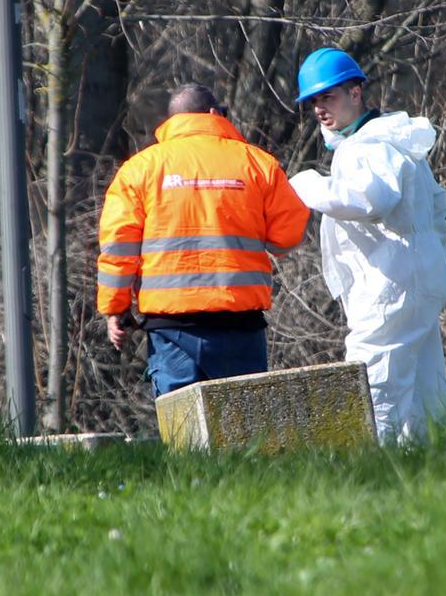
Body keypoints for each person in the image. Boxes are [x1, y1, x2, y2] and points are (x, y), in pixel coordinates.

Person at [96, 84, 310, 398]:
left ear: (171, 120)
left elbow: (118, 248)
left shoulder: (138, 170)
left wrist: (115, 308)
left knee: (183, 433)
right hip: (241, 327)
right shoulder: (258, 164)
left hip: (171, 330)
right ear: (213, 114)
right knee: (245, 430)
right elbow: (286, 237)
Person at [288, 47, 446, 444]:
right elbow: (436, 213)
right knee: (424, 396)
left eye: (328, 97)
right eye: (313, 102)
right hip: (415, 281)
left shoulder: (370, 147)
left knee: (372, 386)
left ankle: (373, 477)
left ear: (356, 93)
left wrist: (305, 183)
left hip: (389, 287)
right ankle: (430, 475)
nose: (319, 110)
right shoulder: (394, 142)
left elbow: (369, 199)